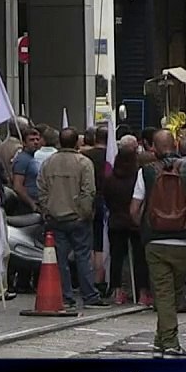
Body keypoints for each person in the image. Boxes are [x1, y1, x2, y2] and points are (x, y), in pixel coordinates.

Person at [129, 129, 186, 357]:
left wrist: (145, 228)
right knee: (175, 293)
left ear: (153, 148)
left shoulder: (145, 172)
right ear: (175, 144)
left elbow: (134, 209)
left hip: (156, 242)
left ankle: (166, 342)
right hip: (185, 240)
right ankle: (166, 341)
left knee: (164, 294)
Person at [37, 128, 108, 309]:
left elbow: (42, 189)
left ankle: (65, 295)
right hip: (77, 218)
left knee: (59, 259)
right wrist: (84, 213)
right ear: (77, 142)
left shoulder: (48, 163)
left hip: (55, 217)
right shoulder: (83, 163)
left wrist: (47, 209)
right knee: (83, 256)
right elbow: (88, 191)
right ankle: (89, 294)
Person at [103, 142, 150, 306]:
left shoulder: (109, 179)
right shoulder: (138, 178)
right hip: (136, 222)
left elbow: (107, 200)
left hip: (116, 221)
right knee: (140, 258)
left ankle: (117, 291)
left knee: (117, 258)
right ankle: (143, 292)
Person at [80, 125, 111, 293]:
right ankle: (102, 279)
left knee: (93, 242)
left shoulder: (85, 156)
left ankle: (92, 279)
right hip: (108, 200)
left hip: (90, 199)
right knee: (103, 242)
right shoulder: (112, 156)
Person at [11, 127, 43, 213]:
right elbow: (17, 186)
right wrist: (32, 204)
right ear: (24, 143)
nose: (35, 142)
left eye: (37, 139)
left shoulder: (33, 157)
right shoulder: (22, 159)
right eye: (31, 140)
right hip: (26, 207)